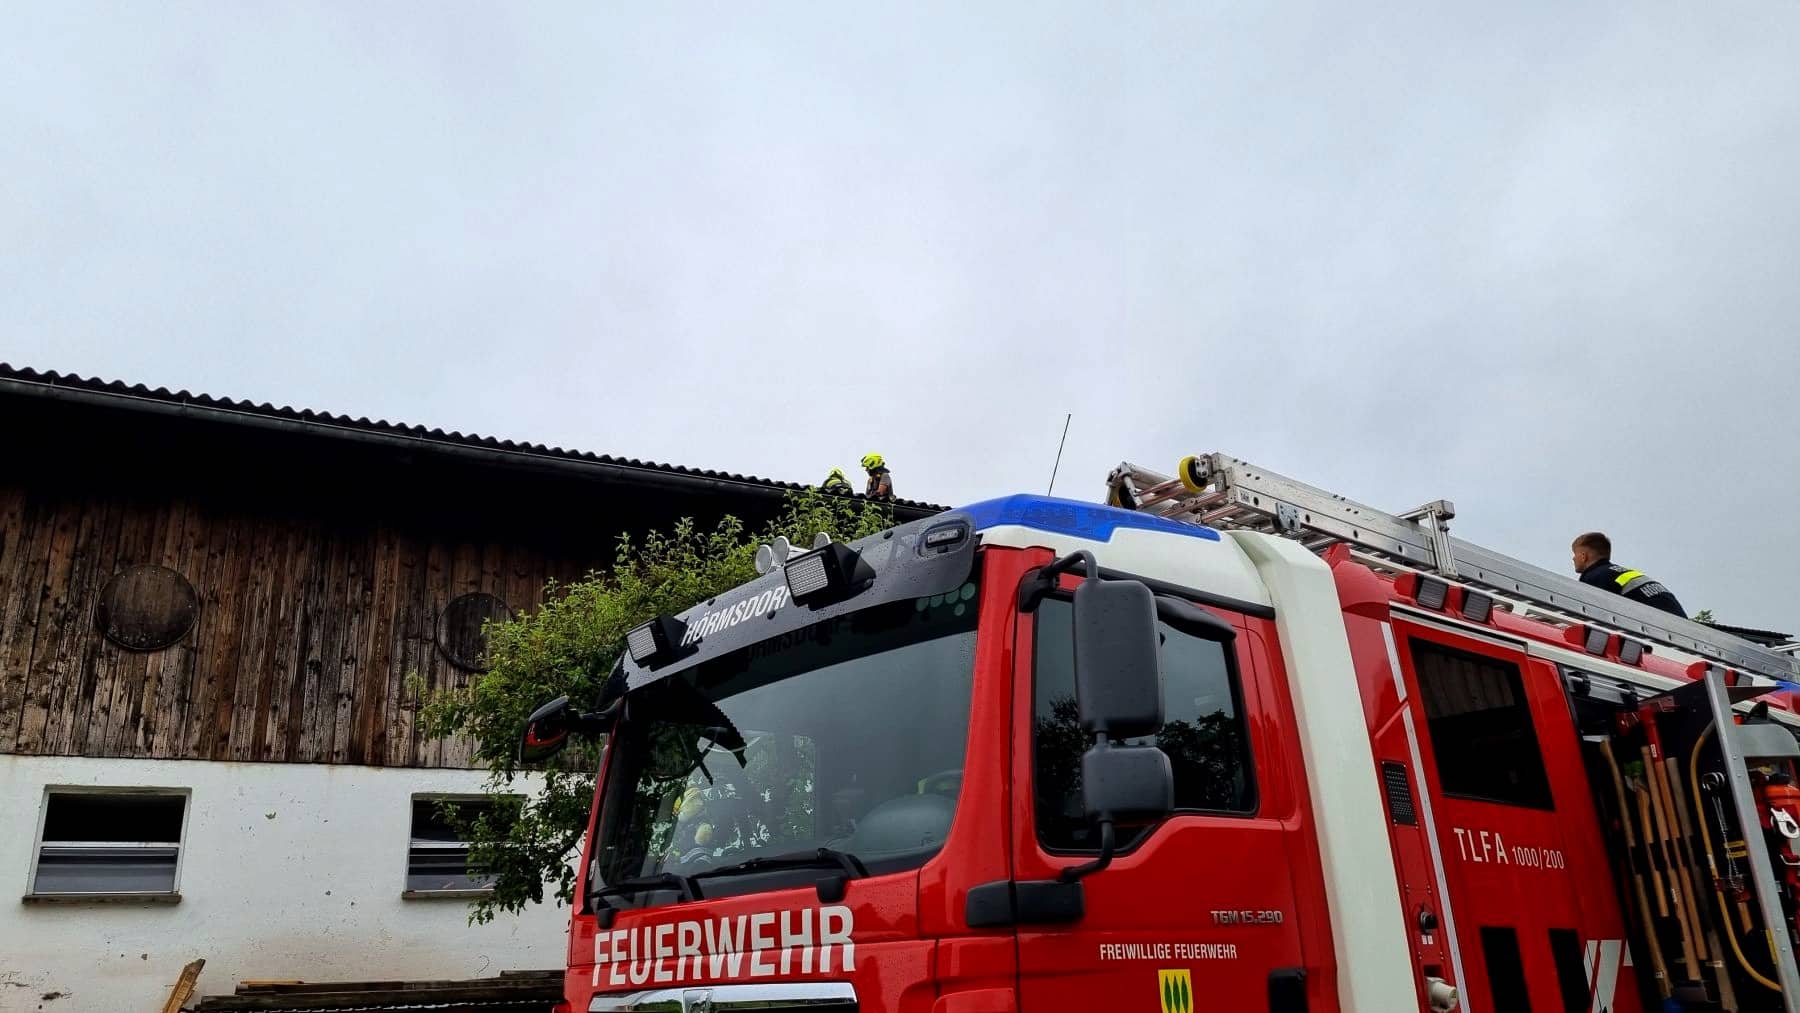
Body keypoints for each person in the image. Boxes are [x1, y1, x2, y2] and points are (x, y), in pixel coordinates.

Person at [1571, 531, 1685, 617]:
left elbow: (1589, 612)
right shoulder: (1621, 573)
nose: (1573, 558)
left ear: (1583, 556)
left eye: (1575, 554)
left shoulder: (1593, 576)